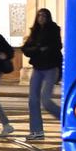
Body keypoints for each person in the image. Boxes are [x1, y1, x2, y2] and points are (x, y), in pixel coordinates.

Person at [21, 8, 62, 140]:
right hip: (37, 68)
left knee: (46, 100)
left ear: (48, 17)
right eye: (39, 16)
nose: (41, 18)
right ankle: (36, 131)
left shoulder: (54, 29)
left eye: (44, 16)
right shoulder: (34, 32)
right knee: (32, 100)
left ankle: (66, 120)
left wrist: (41, 49)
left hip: (51, 68)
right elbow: (26, 49)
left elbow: (56, 47)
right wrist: (38, 49)